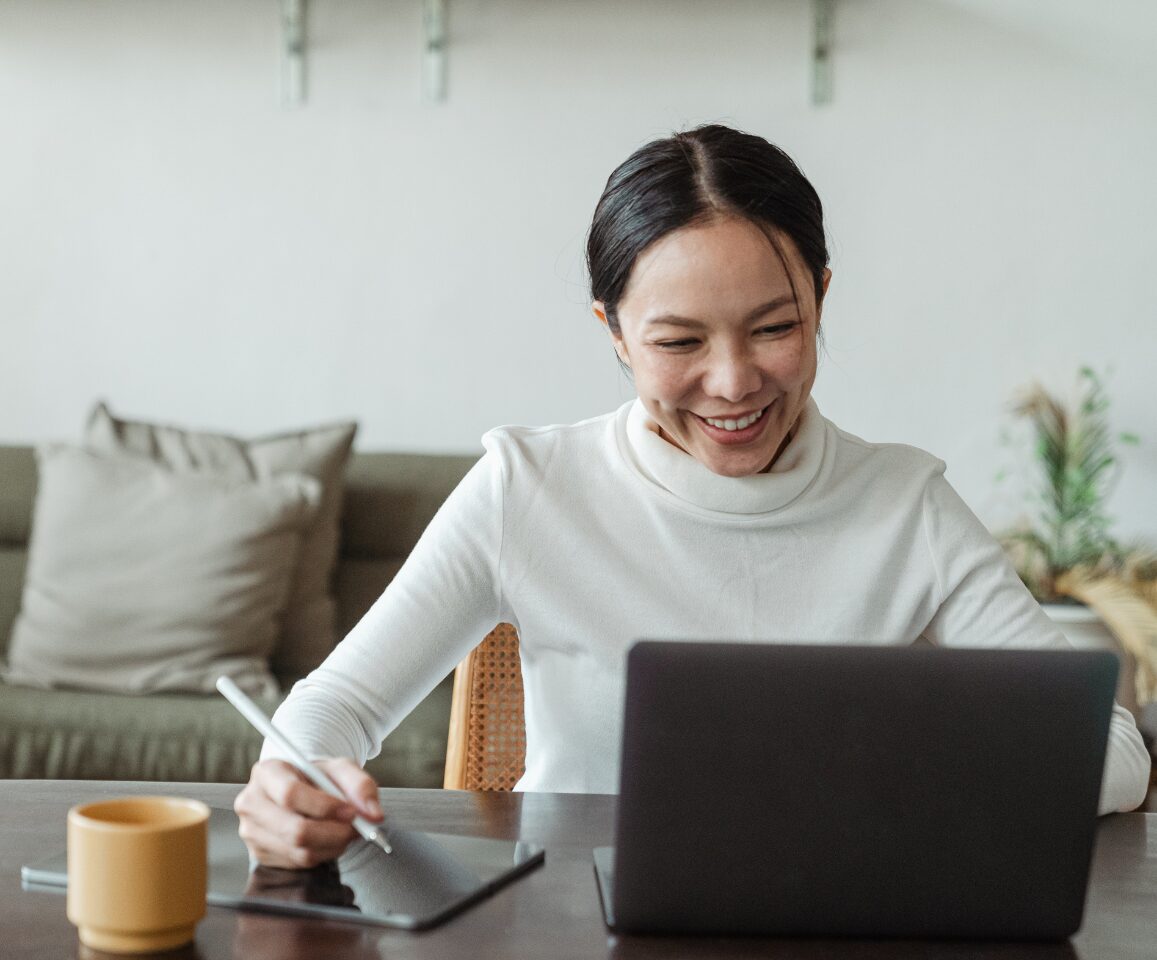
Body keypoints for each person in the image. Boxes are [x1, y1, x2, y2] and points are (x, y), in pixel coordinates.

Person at [235, 124, 1152, 868]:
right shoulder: (528, 488)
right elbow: (333, 707)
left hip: (834, 917)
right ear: (615, 334)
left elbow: (1112, 751)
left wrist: (914, 772)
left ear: (821, 301)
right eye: (677, 343)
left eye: (775, 327)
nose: (732, 383)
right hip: (565, 917)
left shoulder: (904, 504)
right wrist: (293, 781)